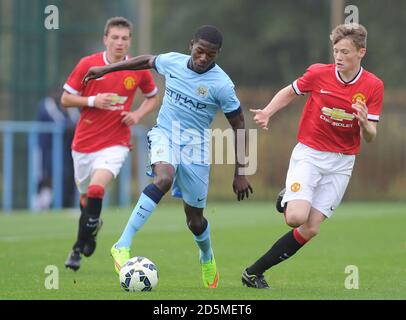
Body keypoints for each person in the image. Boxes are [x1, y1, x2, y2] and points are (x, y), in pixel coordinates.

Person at [84, 25, 253, 288]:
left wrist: (240, 171)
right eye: (199, 52)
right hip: (165, 134)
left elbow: (239, 125)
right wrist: (105, 70)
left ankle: (206, 256)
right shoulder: (172, 62)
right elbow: (146, 61)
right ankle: (122, 244)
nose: (203, 59)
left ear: (218, 53)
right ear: (191, 45)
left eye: (211, 54)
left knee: (195, 221)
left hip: (196, 150)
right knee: (163, 178)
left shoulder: (222, 85)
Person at [243, 23, 384, 288]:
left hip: (342, 162)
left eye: (345, 51)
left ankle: (253, 272)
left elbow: (371, 136)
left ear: (361, 52)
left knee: (311, 228)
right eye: (336, 51)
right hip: (310, 154)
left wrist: (365, 122)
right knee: (296, 218)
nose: (339, 57)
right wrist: (268, 112)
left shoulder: (373, 85)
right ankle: (289, 198)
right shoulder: (319, 73)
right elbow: (290, 91)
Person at [61, 17, 159, 271]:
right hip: (83, 143)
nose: (119, 42)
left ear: (130, 42)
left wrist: (137, 115)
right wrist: (94, 100)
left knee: (96, 190)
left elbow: (152, 97)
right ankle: (91, 231)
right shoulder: (88, 64)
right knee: (86, 198)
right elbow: (66, 99)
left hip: (116, 142)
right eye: (114, 37)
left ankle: (76, 249)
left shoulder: (137, 68)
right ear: (105, 39)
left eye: (124, 38)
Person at [35, 86, 79, 210]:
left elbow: (76, 121)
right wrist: (71, 125)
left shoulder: (71, 106)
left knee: (68, 177)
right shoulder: (47, 105)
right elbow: (60, 122)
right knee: (45, 177)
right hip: (44, 150)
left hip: (64, 151)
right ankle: (41, 205)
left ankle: (66, 205)